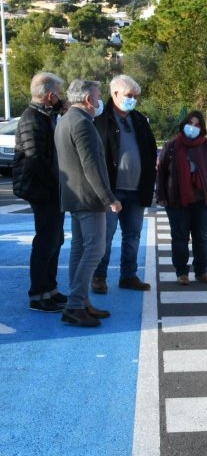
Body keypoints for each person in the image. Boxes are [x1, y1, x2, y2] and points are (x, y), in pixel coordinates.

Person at [55, 80, 122, 327]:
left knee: (80, 249)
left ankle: (80, 301)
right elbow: (91, 167)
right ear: (87, 100)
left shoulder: (66, 120)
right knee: (95, 250)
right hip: (89, 199)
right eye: (96, 96)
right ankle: (74, 305)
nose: (99, 100)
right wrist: (109, 199)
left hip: (74, 197)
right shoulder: (82, 124)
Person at [92, 75, 157, 294]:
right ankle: (99, 276)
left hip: (137, 190)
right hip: (111, 190)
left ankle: (128, 276)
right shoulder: (101, 119)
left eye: (136, 96)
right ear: (115, 94)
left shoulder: (139, 119)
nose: (133, 100)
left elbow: (149, 151)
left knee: (133, 235)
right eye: (129, 96)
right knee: (106, 236)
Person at [13, 72, 68, 312]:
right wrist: (58, 182)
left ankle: (50, 288)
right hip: (43, 190)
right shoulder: (32, 119)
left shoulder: (46, 115)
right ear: (49, 95)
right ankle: (38, 293)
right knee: (46, 240)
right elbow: (36, 159)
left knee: (56, 239)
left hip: (52, 189)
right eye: (59, 94)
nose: (61, 97)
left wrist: (61, 111)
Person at [156, 111, 207, 285]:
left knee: (201, 236)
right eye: (190, 123)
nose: (193, 128)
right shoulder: (171, 145)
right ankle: (182, 272)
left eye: (197, 124)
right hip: (176, 200)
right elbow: (162, 171)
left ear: (202, 128)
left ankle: (201, 271)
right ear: (183, 125)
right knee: (179, 237)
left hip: (203, 200)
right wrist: (161, 195)